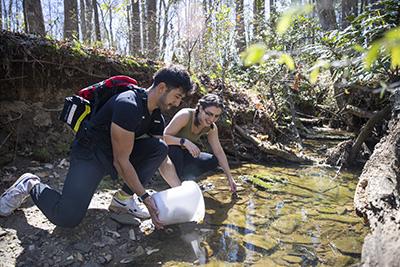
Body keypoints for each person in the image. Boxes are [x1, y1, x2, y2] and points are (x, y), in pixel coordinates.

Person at [0, 65, 192, 229]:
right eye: (176, 96)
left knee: (159, 147)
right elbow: (121, 161)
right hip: (90, 155)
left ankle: (122, 200)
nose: (177, 103)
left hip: (115, 154)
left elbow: (162, 159)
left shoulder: (156, 116)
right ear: (161, 87)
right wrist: (145, 197)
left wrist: (181, 193)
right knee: (67, 218)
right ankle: (30, 183)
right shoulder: (129, 104)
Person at [161, 93, 237, 192]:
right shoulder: (185, 115)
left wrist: (230, 177)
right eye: (209, 114)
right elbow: (162, 138)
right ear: (200, 108)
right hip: (168, 153)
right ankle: (173, 183)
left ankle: (184, 179)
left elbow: (218, 151)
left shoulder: (212, 128)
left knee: (212, 160)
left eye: (216, 116)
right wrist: (184, 142)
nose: (212, 119)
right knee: (175, 151)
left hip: (185, 154)